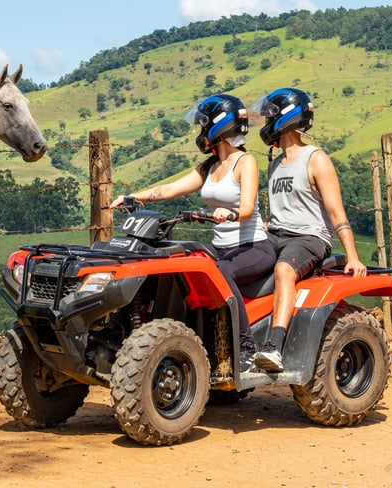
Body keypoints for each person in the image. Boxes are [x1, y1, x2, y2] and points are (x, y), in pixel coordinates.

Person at [110, 94, 275, 372]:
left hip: (253, 247)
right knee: (179, 261)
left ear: (219, 126)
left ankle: (247, 349)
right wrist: (134, 196)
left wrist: (231, 214)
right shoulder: (210, 167)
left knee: (221, 271)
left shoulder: (245, 162)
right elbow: (171, 189)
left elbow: (247, 207)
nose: (201, 132)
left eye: (203, 125)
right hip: (222, 248)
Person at [250, 87, 367, 373]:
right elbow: (278, 210)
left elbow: (336, 211)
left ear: (284, 118)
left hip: (309, 238)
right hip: (276, 235)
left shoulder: (316, 159)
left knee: (284, 271)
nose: (265, 123)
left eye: (269, 117)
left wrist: (352, 255)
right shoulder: (275, 164)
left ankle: (274, 347)